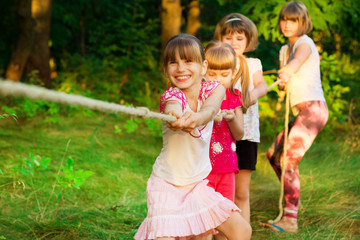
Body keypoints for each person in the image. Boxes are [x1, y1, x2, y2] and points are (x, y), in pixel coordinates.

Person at [134, 34, 251, 240]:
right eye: (173, 62)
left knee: (242, 230)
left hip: (197, 185)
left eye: (188, 61)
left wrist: (196, 118)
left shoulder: (214, 89)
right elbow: (172, 108)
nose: (180, 68)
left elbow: (211, 109)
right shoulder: (172, 95)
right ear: (165, 70)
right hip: (167, 185)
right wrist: (175, 118)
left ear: (203, 66)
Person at [261, 1, 328, 233]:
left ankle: (290, 219)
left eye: (293, 20)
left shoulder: (305, 43)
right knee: (273, 155)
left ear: (303, 23)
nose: (287, 24)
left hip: (313, 109)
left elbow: (298, 61)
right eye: (284, 19)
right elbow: (284, 85)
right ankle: (290, 199)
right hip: (301, 111)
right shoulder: (283, 50)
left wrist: (290, 69)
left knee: (289, 159)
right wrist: (283, 78)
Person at [213, 13, 268, 224]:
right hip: (219, 135)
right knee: (218, 187)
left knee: (241, 191)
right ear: (220, 39)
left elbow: (261, 85)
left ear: (248, 41)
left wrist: (252, 95)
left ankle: (242, 232)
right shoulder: (216, 62)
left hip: (246, 135)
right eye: (228, 38)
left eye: (239, 38)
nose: (234, 43)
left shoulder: (252, 63)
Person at [201, 41, 248, 240]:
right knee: (203, 220)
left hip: (227, 168)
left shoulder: (234, 96)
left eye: (224, 75)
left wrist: (231, 120)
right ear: (203, 70)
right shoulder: (199, 95)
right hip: (203, 169)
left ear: (233, 72)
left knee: (224, 218)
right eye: (212, 74)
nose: (217, 80)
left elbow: (240, 134)